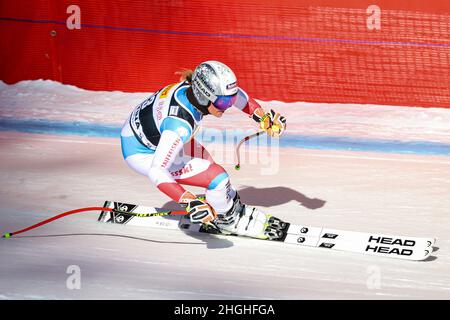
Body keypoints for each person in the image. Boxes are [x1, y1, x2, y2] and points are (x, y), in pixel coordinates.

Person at [120, 61, 287, 239]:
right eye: (224, 102)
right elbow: (156, 170)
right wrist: (189, 202)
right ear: (203, 96)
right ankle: (225, 220)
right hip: (141, 154)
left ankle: (225, 204)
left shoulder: (192, 90)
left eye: (230, 100)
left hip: (146, 134)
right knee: (218, 178)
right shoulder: (180, 126)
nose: (229, 105)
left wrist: (261, 117)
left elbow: (237, 97)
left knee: (208, 163)